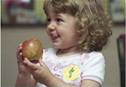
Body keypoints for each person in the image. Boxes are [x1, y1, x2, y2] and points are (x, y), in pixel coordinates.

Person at [15, 0, 112, 87]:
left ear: (82, 26)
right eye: (49, 19)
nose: (50, 26)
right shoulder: (43, 56)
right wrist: (24, 73)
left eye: (58, 20)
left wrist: (49, 80)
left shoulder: (92, 59)